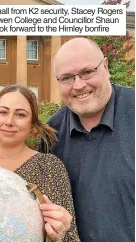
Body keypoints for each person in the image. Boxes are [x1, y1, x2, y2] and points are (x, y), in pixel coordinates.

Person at [0, 85, 80, 241]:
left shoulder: (48, 167)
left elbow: (71, 236)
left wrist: (60, 234)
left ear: (32, 125)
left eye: (20, 115)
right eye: (3, 112)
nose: (9, 121)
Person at [47, 37, 135, 242]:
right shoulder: (52, 134)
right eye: (67, 77)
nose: (78, 85)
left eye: (87, 72)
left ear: (105, 66)